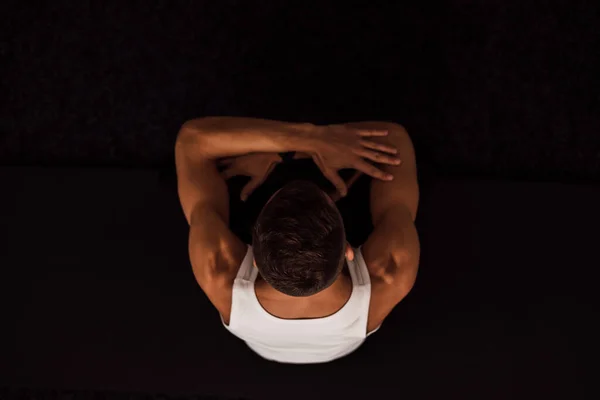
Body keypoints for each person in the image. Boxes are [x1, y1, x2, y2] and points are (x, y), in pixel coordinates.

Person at [175, 117, 420, 364]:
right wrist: (312, 145)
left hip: (264, 348)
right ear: (348, 250)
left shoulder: (218, 272)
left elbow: (191, 139)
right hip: (339, 348)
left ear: (255, 260)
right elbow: (393, 137)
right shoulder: (389, 275)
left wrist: (296, 148)